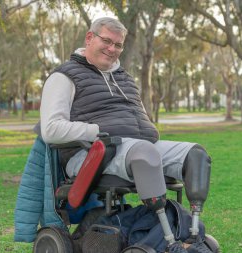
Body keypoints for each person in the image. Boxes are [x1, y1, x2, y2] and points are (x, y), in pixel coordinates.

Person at [39, 17, 212, 252]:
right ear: (90, 38)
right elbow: (50, 129)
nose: (112, 49)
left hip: (137, 147)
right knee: (145, 154)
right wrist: (95, 131)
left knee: (196, 154)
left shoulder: (125, 78)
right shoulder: (63, 77)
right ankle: (169, 243)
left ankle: (192, 235)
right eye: (106, 41)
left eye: (118, 45)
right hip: (92, 153)